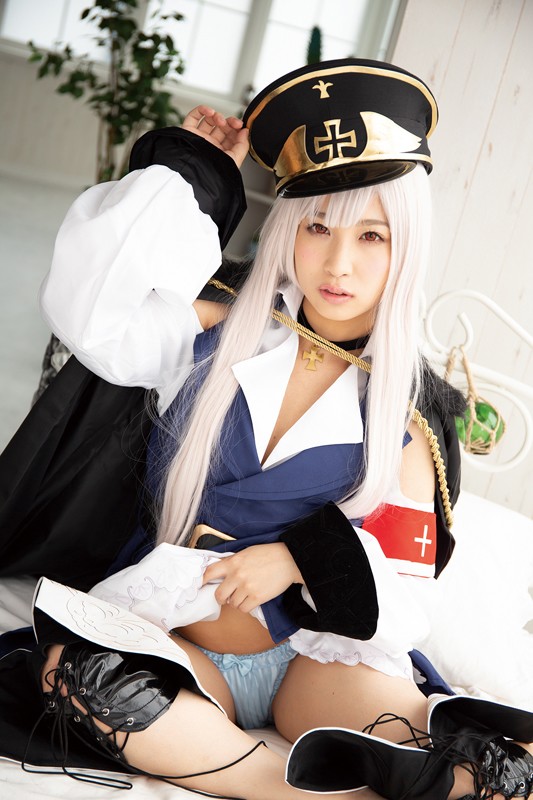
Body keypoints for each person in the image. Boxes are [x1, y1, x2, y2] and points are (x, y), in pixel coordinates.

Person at [0, 58, 531, 800]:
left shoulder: (410, 410)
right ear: (288, 227)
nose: (338, 264)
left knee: (488, 765)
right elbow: (90, 312)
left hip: (318, 663)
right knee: (78, 676)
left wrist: (296, 559)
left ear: (406, 246)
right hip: (181, 647)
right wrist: (194, 170)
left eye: (372, 236)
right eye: (317, 227)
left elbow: (407, 598)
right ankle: (289, 792)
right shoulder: (217, 330)